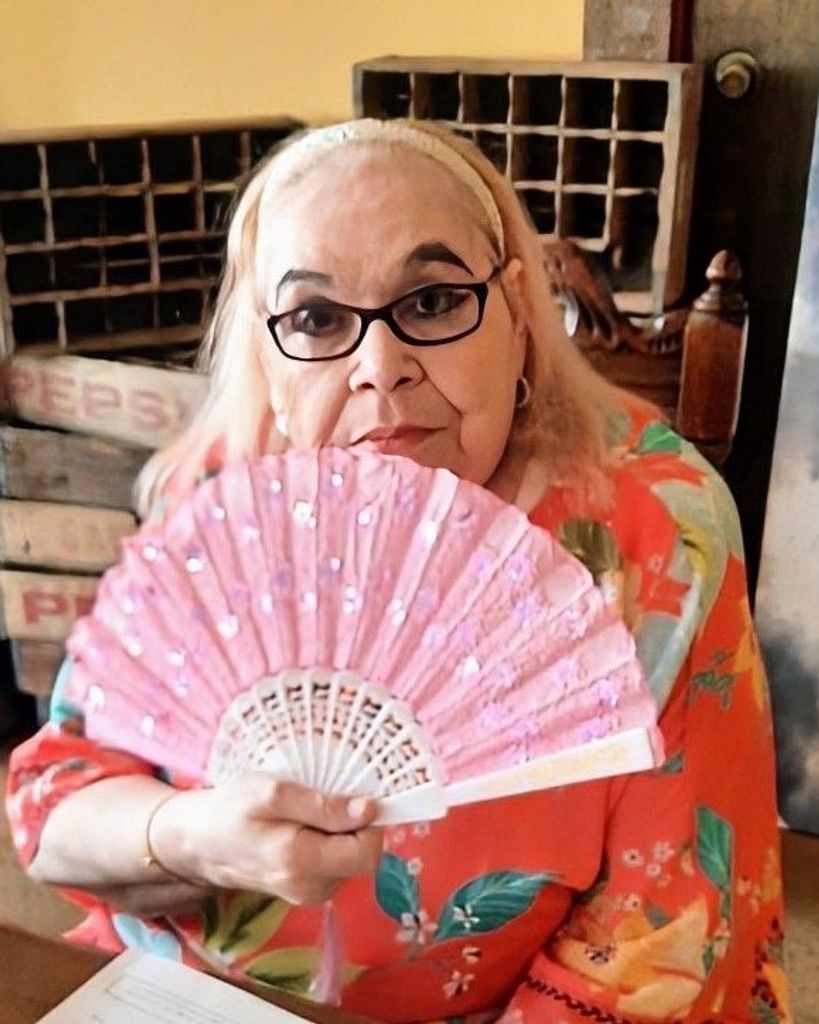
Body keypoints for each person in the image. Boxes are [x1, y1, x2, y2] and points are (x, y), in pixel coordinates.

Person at [6, 119, 790, 1023]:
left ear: (516, 309)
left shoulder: (654, 535)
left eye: (433, 301)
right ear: (265, 350)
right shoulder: (226, 496)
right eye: (314, 319)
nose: (379, 369)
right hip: (172, 993)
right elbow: (56, 813)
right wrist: (188, 838)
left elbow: (662, 939)